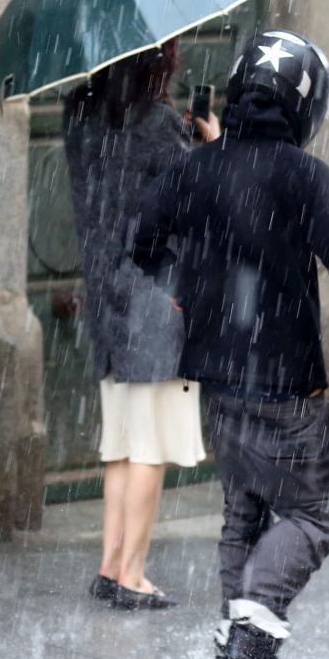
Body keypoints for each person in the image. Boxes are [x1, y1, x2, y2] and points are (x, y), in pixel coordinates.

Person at [131, 30, 329, 659]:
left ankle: (235, 646)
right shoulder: (305, 175)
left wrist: (183, 285)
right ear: (305, 104)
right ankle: (255, 634)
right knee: (316, 512)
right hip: (284, 381)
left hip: (215, 376)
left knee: (245, 508)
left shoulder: (194, 167)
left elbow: (140, 242)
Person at [63, 39, 220, 611]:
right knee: (149, 446)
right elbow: (199, 202)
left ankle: (110, 566)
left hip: (106, 297)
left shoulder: (77, 114)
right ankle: (132, 574)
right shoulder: (156, 124)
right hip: (158, 299)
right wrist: (213, 144)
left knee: (122, 443)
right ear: (157, 61)